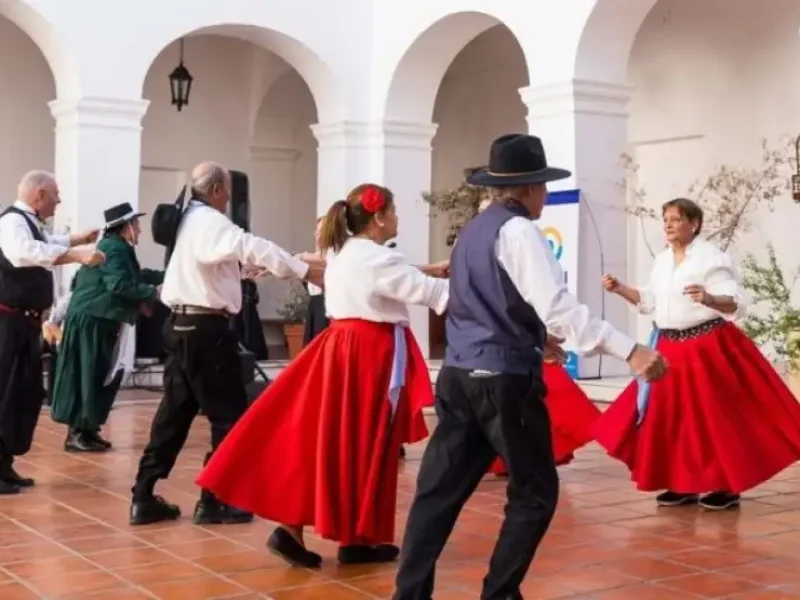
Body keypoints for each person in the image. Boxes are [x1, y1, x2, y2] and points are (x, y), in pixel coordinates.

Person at [393, 134, 667, 600]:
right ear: (530, 188)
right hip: (503, 383)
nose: (543, 195)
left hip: (459, 376)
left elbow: (477, 303)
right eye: (541, 186)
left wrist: (538, 339)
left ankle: (410, 594)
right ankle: (500, 593)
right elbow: (559, 308)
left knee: (437, 493)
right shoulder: (519, 232)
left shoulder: (471, 232)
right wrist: (630, 350)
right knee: (535, 492)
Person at [197, 184, 449, 568]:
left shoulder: (345, 253)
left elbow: (405, 276)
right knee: (365, 443)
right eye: (394, 211)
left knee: (326, 439)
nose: (398, 218)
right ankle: (356, 535)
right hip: (369, 355)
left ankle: (330, 531)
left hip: (340, 349)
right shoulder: (377, 258)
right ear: (379, 217)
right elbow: (432, 294)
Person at [129, 161, 323, 526]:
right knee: (229, 417)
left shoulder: (190, 220)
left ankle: (143, 495)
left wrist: (247, 271)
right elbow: (250, 245)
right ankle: (213, 500)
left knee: (173, 415)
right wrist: (301, 270)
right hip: (205, 332)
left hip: (181, 325)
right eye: (228, 190)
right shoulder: (211, 222)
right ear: (217, 190)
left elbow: (218, 264)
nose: (230, 197)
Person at [594, 197, 800, 511]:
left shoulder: (710, 257)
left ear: (695, 223)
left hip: (707, 346)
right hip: (669, 347)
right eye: (666, 219)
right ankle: (682, 483)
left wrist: (709, 298)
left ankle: (725, 485)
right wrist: (621, 288)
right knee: (672, 418)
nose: (668, 225)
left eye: (675, 219)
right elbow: (649, 300)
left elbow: (734, 301)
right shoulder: (663, 260)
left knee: (714, 417)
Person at [0, 170, 104, 495]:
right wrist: (79, 256)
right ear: (39, 194)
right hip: (8, 325)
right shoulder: (12, 222)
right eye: (56, 195)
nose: (59, 201)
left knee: (21, 395)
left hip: (25, 324)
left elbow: (47, 242)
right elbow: (23, 252)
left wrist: (79, 239)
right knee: (4, 395)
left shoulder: (29, 223)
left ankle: (5, 465)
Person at [51, 203, 163, 452]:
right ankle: (76, 433)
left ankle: (88, 429)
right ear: (125, 227)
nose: (140, 230)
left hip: (99, 319)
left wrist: (168, 275)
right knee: (87, 374)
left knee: (97, 374)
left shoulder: (118, 247)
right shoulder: (113, 248)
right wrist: (154, 292)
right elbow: (119, 284)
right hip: (91, 319)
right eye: (136, 225)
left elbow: (135, 275)